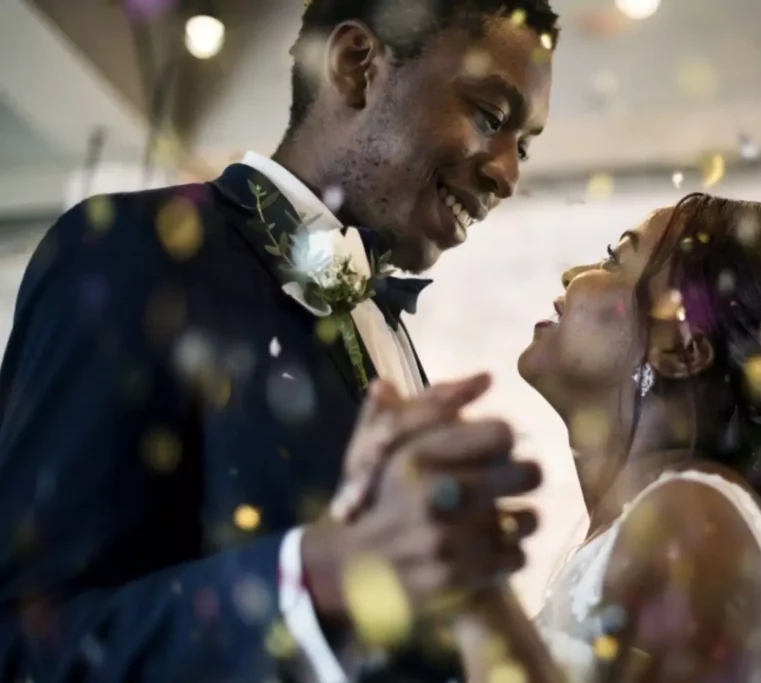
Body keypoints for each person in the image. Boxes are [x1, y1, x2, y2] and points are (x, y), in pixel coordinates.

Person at [0, 1, 558, 681]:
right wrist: (314, 577)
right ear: (357, 66)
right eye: (490, 118)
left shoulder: (388, 328)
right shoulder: (131, 252)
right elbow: (22, 643)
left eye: (523, 146)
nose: (507, 173)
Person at [347, 192, 761, 682]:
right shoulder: (673, 523)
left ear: (681, 347)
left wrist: (473, 579)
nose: (572, 277)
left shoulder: (694, 527)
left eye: (617, 258)